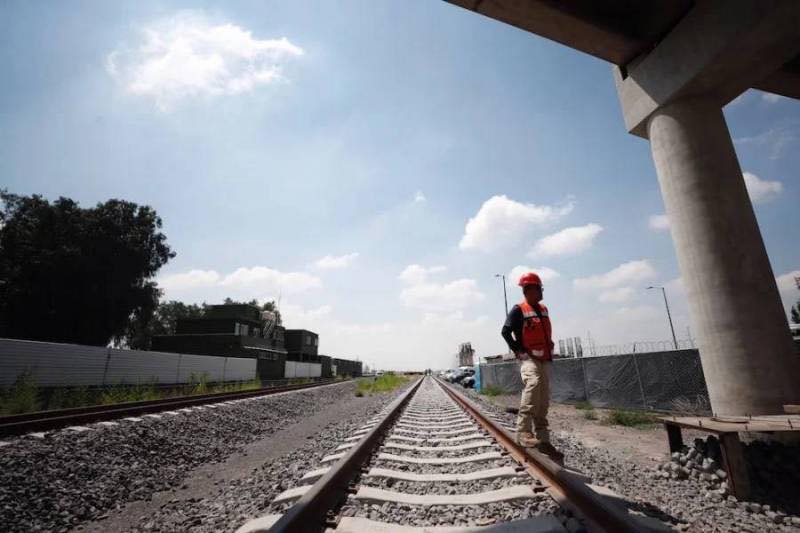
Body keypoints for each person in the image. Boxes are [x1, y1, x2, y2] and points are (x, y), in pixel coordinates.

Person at [501, 272, 563, 461]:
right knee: (533, 383)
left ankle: (543, 439)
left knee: (543, 399)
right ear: (529, 290)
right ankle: (523, 432)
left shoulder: (543, 309)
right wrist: (517, 350)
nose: (541, 292)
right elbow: (505, 331)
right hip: (528, 358)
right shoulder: (518, 310)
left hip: (543, 359)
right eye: (538, 288)